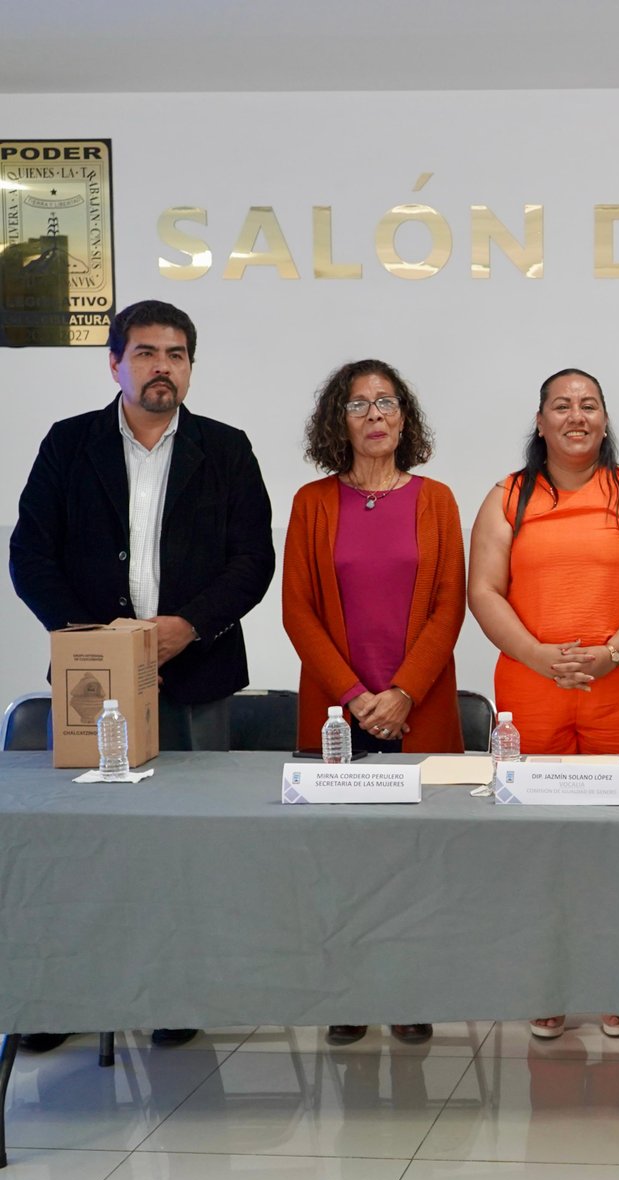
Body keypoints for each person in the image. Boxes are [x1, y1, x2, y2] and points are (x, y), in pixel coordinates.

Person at [10, 298, 275, 1053]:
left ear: (191, 366)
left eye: (177, 355)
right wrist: (97, 643)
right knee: (83, 845)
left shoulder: (226, 448)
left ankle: (175, 991)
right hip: (92, 679)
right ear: (115, 363)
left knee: (188, 848)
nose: (163, 367)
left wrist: (187, 626)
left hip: (197, 675)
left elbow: (253, 560)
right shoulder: (70, 443)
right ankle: (64, 996)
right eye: (147, 353)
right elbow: (31, 554)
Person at [468, 367, 619, 1043]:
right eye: (561, 406)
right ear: (540, 422)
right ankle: (548, 983)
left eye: (589, 405)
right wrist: (537, 655)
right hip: (533, 693)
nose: (576, 416)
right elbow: (484, 591)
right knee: (542, 844)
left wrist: (610, 653)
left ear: (605, 419)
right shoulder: (507, 497)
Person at [282, 359, 467, 1047]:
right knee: (344, 859)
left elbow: (449, 608)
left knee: (412, 857)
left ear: (404, 417)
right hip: (339, 714)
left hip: (419, 707)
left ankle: (409, 992)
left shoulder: (437, 500)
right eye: (358, 404)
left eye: (386, 401)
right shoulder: (311, 503)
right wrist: (358, 697)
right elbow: (298, 613)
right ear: (339, 421)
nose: (375, 415)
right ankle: (349, 993)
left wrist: (403, 693)